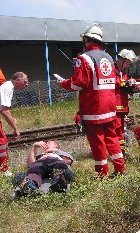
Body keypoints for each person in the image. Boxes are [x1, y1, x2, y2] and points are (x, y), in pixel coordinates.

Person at [57, 23, 124, 177]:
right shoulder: (108, 57)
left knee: (98, 142)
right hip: (110, 106)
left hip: (94, 108)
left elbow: (78, 84)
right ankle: (120, 169)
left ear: (87, 40)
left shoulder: (84, 58)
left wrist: (63, 83)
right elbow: (116, 81)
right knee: (112, 138)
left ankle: (103, 175)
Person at [0, 72, 28, 176]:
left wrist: (12, 120)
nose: (27, 84)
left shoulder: (6, 87)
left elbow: (5, 109)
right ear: (18, 80)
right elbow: (4, 111)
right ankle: (3, 170)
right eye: (25, 82)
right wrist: (15, 128)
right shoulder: (7, 88)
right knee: (2, 142)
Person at [114, 49, 137, 155]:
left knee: (122, 131)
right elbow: (113, 82)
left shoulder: (123, 72)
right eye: (128, 62)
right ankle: (118, 153)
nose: (129, 64)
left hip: (123, 106)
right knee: (117, 131)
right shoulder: (112, 69)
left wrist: (132, 88)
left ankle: (121, 152)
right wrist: (126, 82)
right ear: (123, 59)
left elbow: (123, 87)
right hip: (115, 106)